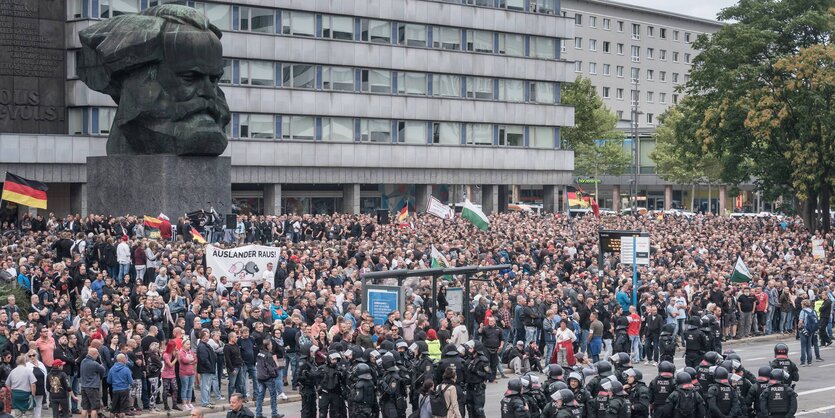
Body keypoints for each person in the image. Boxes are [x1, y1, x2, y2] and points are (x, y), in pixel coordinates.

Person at [79, 348, 105, 418]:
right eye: (97, 354)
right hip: (92, 387)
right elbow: (103, 371)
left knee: (84, 408)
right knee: (94, 408)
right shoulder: (95, 364)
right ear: (94, 354)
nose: (97, 356)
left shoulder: (83, 361)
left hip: (84, 387)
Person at [107, 354, 133, 418]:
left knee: (113, 409)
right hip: (124, 390)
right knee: (122, 410)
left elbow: (108, 381)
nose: (126, 360)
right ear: (122, 359)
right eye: (125, 358)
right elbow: (131, 381)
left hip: (115, 390)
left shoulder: (112, 369)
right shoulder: (126, 369)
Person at [195, 330, 217, 408]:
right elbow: (204, 359)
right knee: (205, 386)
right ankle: (205, 402)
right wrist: (210, 366)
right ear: (203, 337)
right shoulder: (202, 346)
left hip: (208, 369)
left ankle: (207, 400)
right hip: (206, 369)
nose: (208, 338)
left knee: (207, 385)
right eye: (207, 336)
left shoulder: (205, 345)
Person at [24, 351, 45, 418]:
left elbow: (45, 375)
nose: (32, 357)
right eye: (30, 356)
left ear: (36, 355)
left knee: (39, 405)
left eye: (33, 355)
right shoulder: (27, 365)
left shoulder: (41, 364)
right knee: (31, 406)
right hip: (31, 388)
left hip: (41, 388)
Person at [161, 341, 181, 411]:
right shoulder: (165, 354)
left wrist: (177, 354)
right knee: (165, 390)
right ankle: (166, 406)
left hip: (173, 374)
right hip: (166, 375)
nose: (176, 347)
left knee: (175, 389)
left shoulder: (173, 352)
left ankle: (174, 405)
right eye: (174, 346)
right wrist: (175, 358)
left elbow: (179, 360)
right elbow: (170, 365)